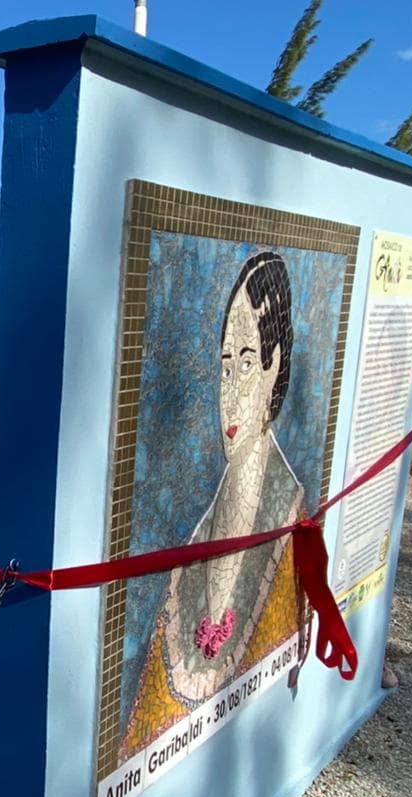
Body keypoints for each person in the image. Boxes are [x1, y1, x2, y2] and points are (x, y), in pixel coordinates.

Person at [121, 251, 307, 758]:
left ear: (275, 367)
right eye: (225, 368)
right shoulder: (198, 541)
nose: (232, 392)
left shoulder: (289, 512)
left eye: (248, 363)